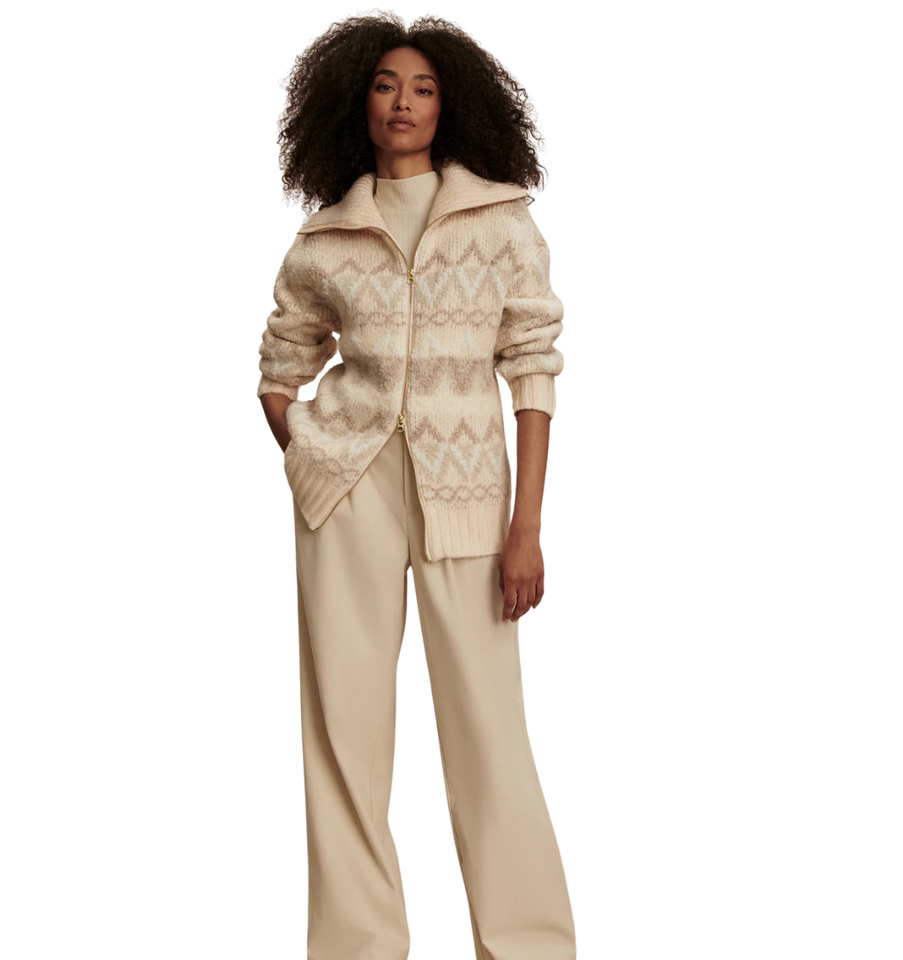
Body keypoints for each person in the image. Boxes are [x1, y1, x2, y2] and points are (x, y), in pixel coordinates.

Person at [256, 14, 575, 960]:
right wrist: (307, 446)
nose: (403, 102)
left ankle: (528, 945)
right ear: (356, 100)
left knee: (488, 729)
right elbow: (281, 360)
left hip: (468, 491)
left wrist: (527, 526)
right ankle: (356, 947)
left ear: (452, 105)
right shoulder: (329, 233)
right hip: (347, 493)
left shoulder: (498, 221)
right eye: (387, 84)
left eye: (424, 88)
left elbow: (532, 366)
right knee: (344, 732)